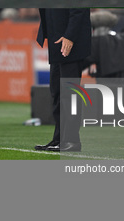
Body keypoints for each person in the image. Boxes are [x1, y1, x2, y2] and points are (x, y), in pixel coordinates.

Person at [35, 8, 91, 152]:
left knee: (69, 95)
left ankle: (72, 140)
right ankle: (59, 139)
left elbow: (79, 10)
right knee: (57, 92)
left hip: (71, 42)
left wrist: (69, 36)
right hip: (57, 41)